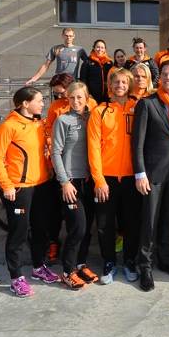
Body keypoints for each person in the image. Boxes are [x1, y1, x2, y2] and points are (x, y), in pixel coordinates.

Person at [0, 86, 55, 297]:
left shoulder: (38, 123)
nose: (43, 103)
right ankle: (16, 277)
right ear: (25, 104)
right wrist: (7, 185)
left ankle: (38, 266)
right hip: (19, 187)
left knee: (41, 230)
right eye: (39, 100)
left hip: (41, 185)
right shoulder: (9, 126)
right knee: (18, 233)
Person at [132, 61, 169, 291]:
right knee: (149, 221)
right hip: (152, 173)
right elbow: (137, 143)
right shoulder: (147, 104)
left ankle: (165, 259)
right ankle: (145, 265)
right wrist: (140, 173)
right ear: (159, 78)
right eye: (165, 74)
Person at [87, 68, 140, 285]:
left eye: (124, 82)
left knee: (132, 222)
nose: (120, 85)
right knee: (105, 224)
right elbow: (93, 148)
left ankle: (129, 261)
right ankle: (109, 261)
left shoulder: (138, 108)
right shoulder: (99, 111)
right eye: (116, 82)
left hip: (132, 177)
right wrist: (99, 180)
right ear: (110, 86)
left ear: (129, 85)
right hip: (106, 178)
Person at [51, 82, 99, 290]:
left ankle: (80, 264)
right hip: (70, 182)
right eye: (72, 98)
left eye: (80, 97)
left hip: (88, 180)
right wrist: (64, 182)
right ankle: (67, 271)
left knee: (87, 228)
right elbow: (56, 153)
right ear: (67, 99)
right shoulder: (63, 120)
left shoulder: (92, 118)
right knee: (77, 228)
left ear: (87, 98)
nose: (76, 101)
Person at [79, 39, 113, 104]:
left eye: (102, 47)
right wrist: (87, 93)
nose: (100, 49)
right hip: (92, 96)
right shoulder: (87, 62)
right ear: (94, 48)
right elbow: (83, 80)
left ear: (105, 49)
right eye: (98, 47)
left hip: (107, 96)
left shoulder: (109, 62)